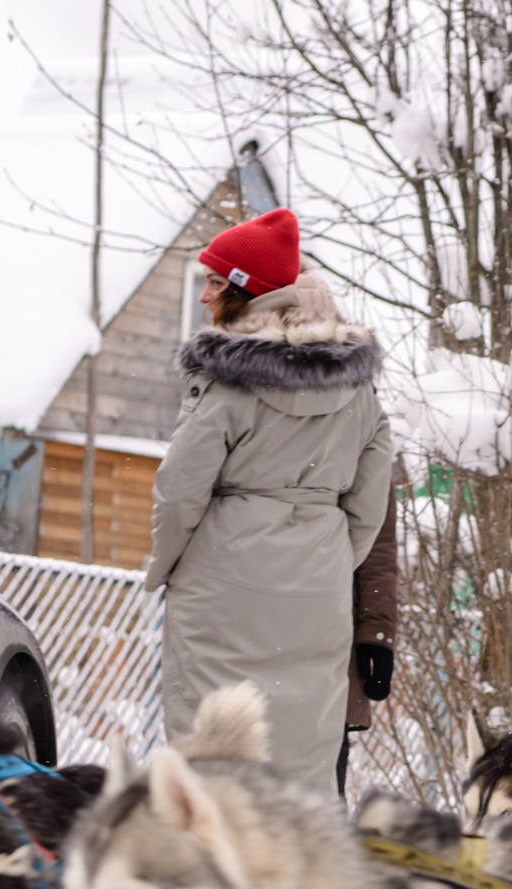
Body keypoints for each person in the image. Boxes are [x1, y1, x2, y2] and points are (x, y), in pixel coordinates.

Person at [143, 208, 394, 797]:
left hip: (223, 581)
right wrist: (331, 558)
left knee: (212, 742)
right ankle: (299, 872)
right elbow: (370, 501)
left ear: (244, 290)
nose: (204, 296)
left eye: (213, 281)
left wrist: (167, 565)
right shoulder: (358, 390)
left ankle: (210, 862)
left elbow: (180, 490)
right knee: (304, 750)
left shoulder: (226, 382)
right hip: (319, 583)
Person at [338, 481, 399, 794]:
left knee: (320, 805)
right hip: (253, 641)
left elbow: (379, 552)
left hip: (331, 650)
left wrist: (377, 635)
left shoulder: (361, 444)